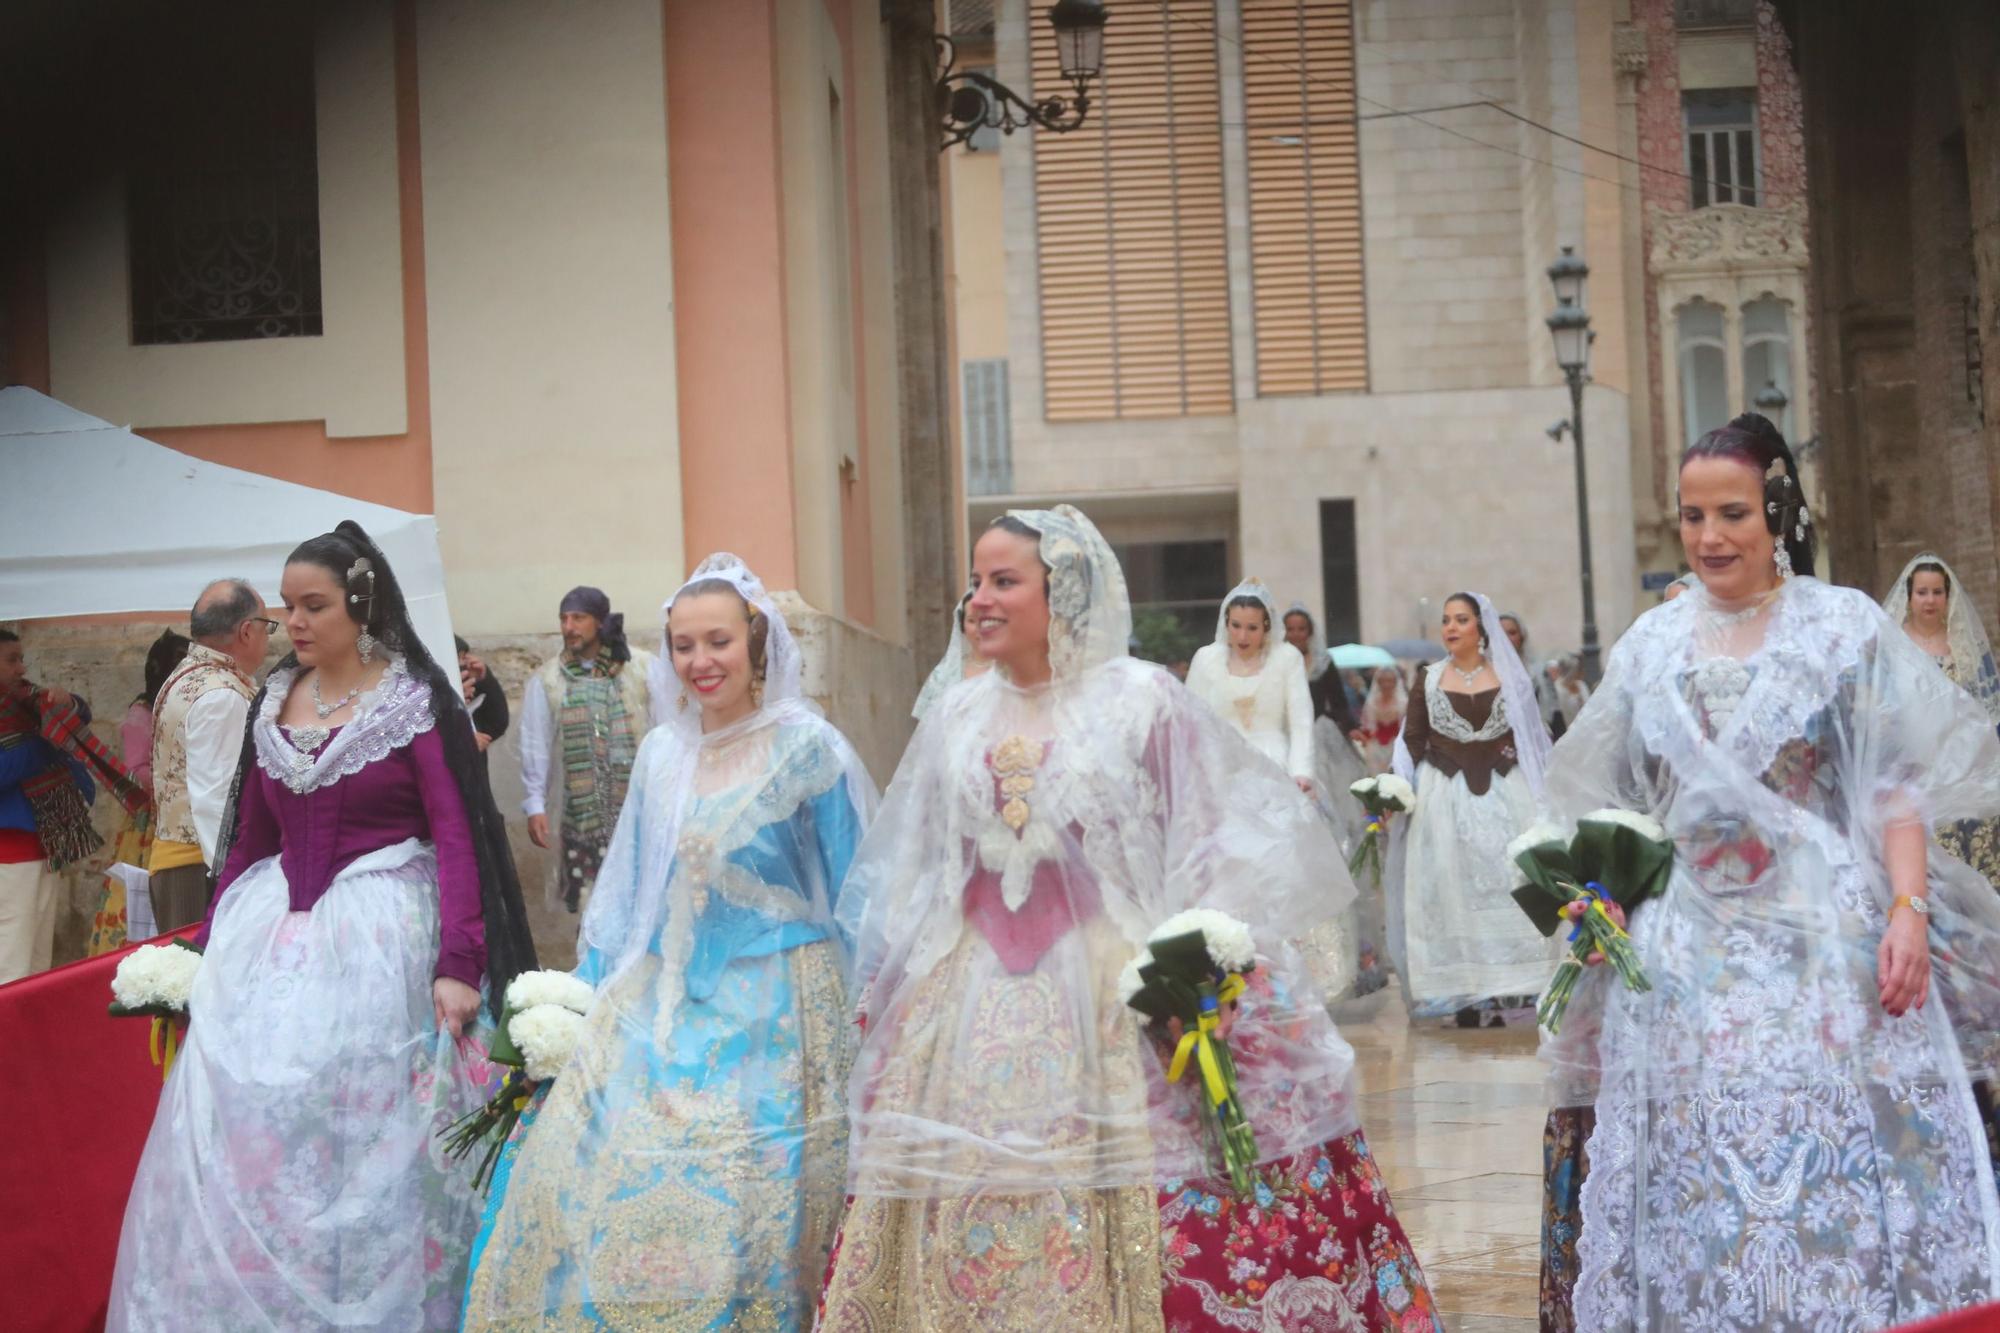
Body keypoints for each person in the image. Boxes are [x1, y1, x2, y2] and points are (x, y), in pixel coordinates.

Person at [817, 507, 1439, 1331]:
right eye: (977, 581)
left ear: (1062, 593)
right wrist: (891, 995)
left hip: (1112, 996)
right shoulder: (956, 717)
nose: (980, 600)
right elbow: (923, 869)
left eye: (1005, 581)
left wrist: (1205, 974)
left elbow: (1211, 840)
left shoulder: (1141, 700)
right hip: (967, 1009)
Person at [1538, 413, 2000, 1330]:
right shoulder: (1650, 646)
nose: (1710, 536)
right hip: (1684, 957)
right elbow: (1613, 802)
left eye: (1734, 513)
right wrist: (1600, 902)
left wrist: (1909, 909)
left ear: (1778, 512)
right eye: (1693, 515)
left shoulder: (1841, 628)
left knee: (1833, 1151)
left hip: (1824, 940)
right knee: (1700, 1160)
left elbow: (1893, 788)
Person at [108, 522, 538, 1331]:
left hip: (384, 940)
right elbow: (249, 840)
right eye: (288, 607)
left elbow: (457, 836)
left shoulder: (412, 702)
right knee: (261, 1123)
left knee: (369, 1127)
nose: (295, 622)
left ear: (360, 606)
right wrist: (206, 950)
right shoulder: (273, 699)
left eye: (314, 605)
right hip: (274, 937)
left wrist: (458, 959)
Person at [462, 554, 877, 1330]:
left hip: (780, 1006)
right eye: (683, 645)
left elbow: (857, 891)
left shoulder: (808, 747)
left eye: (717, 641)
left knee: (757, 1191)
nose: (699, 661)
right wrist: (579, 1001)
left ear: (756, 643)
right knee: (606, 1177)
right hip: (664, 1000)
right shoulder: (662, 752)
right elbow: (629, 890)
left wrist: (879, 1019)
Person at [1387, 592, 1561, 1028]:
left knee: (1506, 883)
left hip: (1506, 794)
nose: (1450, 627)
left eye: (1460, 619)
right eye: (1446, 620)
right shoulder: (1428, 678)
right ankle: (1463, 992)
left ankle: (1511, 988)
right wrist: (1395, 787)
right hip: (1444, 797)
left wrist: (1544, 801)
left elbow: (1530, 739)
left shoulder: (1510, 677)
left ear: (1481, 629)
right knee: (1453, 888)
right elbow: (1412, 739)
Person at [520, 587, 668, 916]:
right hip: (581, 819)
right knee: (590, 907)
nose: (568, 627)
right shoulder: (548, 680)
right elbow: (536, 743)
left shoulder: (643, 668)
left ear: (600, 622)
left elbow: (668, 732)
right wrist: (535, 803)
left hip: (639, 809)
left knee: (645, 902)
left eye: (578, 618)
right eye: (563, 619)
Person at [146, 580, 271, 933]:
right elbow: (218, 799)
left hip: (186, 862)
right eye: (267, 627)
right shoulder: (221, 695)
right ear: (247, 631)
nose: (268, 638)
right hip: (198, 869)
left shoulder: (190, 676)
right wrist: (238, 880)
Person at [1882, 552, 2000, 889]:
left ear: (1948, 596)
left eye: (1937, 592)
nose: (1930, 600)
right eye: (1922, 592)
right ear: (1909, 596)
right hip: (1915, 771)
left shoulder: (1965, 647)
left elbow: (1989, 708)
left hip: (1965, 771)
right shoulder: (1894, 646)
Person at [86, 630, 189, 955]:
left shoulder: (180, 708)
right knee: (144, 897)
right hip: (152, 825)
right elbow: (139, 771)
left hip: (176, 815)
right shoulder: (142, 715)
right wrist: (185, 783)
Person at [1185, 580, 1317, 794]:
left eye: (1252, 628)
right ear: (1226, 622)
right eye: (1236, 625)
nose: (1242, 636)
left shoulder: (1286, 658)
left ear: (1266, 626)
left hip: (1274, 767)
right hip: (1218, 770)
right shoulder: (1206, 658)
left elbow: (1301, 720)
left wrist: (1301, 770)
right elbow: (1190, 720)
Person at [911, 589, 992, 721]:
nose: (979, 628)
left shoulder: (1012, 671)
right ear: (962, 625)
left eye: (985, 620)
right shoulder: (943, 674)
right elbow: (927, 726)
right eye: (971, 620)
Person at [1281, 602, 1360, 734]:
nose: (1296, 634)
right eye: (1290, 629)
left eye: (1301, 629)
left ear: (1310, 631)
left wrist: (1351, 728)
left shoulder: (1323, 662)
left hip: (1316, 731)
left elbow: (1338, 701)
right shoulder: (1275, 661)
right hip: (1284, 731)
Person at [1500, 611, 1566, 740]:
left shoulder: (1538, 671)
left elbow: (1552, 710)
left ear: (1521, 637)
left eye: (1512, 633)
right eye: (1501, 633)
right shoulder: (1485, 672)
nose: (1506, 638)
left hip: (1535, 738)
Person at [457, 634, 510, 755]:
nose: (463, 667)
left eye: (464, 659)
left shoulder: (469, 691)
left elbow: (496, 725)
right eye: (457, 661)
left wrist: (484, 681)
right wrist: (463, 742)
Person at [1358, 664, 1407, 775]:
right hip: (1375, 748)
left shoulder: (1404, 704)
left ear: (1395, 682)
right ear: (1378, 682)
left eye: (1390, 681)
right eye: (1383, 681)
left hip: (1396, 747)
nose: (1386, 684)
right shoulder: (1371, 703)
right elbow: (1366, 727)